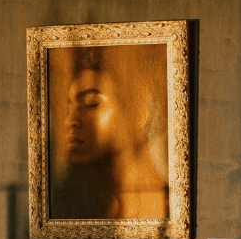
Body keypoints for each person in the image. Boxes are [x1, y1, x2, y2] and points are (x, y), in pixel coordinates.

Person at [50, 44, 169, 221]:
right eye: (69, 106)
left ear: (138, 111)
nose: (71, 120)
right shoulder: (98, 206)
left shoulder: (164, 207)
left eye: (91, 102)